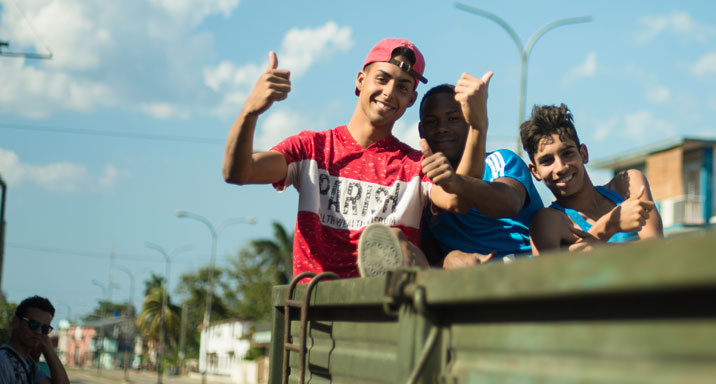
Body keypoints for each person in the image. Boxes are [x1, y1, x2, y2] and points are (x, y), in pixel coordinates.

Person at [222, 38, 491, 278]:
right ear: (361, 80)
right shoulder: (312, 148)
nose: (389, 93)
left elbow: (459, 199)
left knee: (397, 240)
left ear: (411, 99)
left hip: (385, 312)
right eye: (382, 79)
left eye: (402, 87)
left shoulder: (414, 165)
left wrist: (478, 126)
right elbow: (239, 172)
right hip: (314, 312)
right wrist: (250, 111)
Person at [417, 83, 545, 268]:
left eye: (453, 118)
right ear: (421, 130)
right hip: (469, 288)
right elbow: (429, 255)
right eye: (431, 121)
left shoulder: (500, 160)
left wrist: (457, 182)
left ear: (469, 122)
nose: (441, 128)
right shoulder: (421, 185)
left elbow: (509, 202)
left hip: (527, 276)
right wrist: (448, 260)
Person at [520, 104, 663, 253]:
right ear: (535, 171)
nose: (560, 167)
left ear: (583, 154)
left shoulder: (627, 185)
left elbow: (657, 252)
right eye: (547, 160)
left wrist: (588, 247)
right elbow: (547, 274)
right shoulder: (548, 222)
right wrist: (608, 225)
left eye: (567, 153)